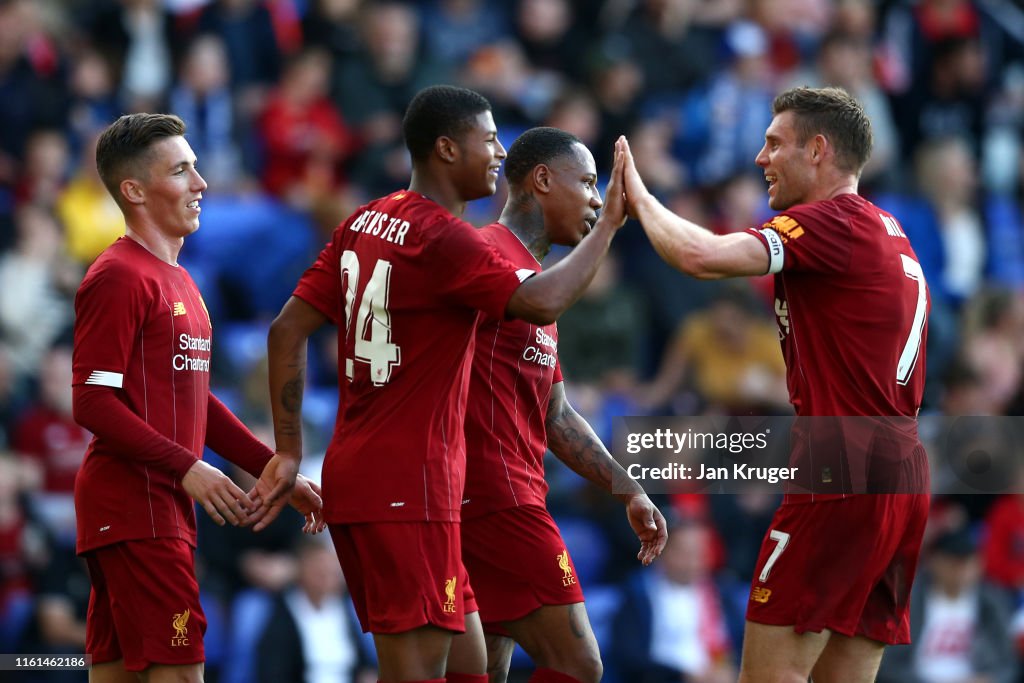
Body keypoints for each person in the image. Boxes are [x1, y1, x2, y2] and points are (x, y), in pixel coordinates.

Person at [265, 85, 637, 683]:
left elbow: (286, 330)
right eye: (488, 140)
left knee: (471, 669)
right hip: (409, 484)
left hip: (383, 476)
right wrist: (610, 223)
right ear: (445, 148)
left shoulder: (364, 220)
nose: (498, 153)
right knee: (427, 672)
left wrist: (289, 449)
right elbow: (539, 303)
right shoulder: (451, 242)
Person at [618, 86, 931, 683]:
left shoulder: (832, 222)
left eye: (774, 143)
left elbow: (701, 256)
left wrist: (638, 195)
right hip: (902, 472)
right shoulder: (888, 230)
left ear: (817, 151)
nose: (761, 158)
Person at [71, 113, 325, 683]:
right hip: (135, 503)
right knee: (181, 672)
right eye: (181, 170)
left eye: (196, 167)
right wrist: (188, 467)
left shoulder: (182, 280)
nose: (201, 183)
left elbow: (196, 402)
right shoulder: (118, 275)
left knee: (116, 674)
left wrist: (273, 468)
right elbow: (91, 403)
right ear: (134, 191)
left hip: (149, 506)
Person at [446, 126, 667, 683]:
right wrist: (613, 223)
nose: (597, 199)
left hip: (492, 497)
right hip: (499, 499)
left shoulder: (536, 281)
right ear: (542, 180)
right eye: (589, 183)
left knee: (485, 673)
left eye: (600, 189)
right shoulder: (488, 255)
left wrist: (628, 488)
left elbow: (557, 414)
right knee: (579, 665)